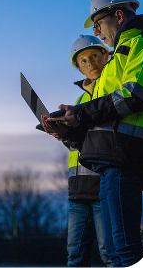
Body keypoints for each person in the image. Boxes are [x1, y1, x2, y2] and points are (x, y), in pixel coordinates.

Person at [43, 0, 143, 267]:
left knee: (124, 249)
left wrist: (81, 113)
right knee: (114, 251)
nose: (98, 33)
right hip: (111, 162)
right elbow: (106, 116)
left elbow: (135, 95)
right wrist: (69, 129)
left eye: (99, 24)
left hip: (125, 159)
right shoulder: (118, 59)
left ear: (119, 15)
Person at [43, 35, 112, 268]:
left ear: (106, 56)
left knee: (111, 254)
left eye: (94, 56)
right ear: (79, 68)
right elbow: (80, 143)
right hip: (78, 190)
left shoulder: (112, 89)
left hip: (105, 186)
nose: (90, 63)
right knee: (75, 257)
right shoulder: (80, 100)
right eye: (83, 61)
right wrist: (61, 134)